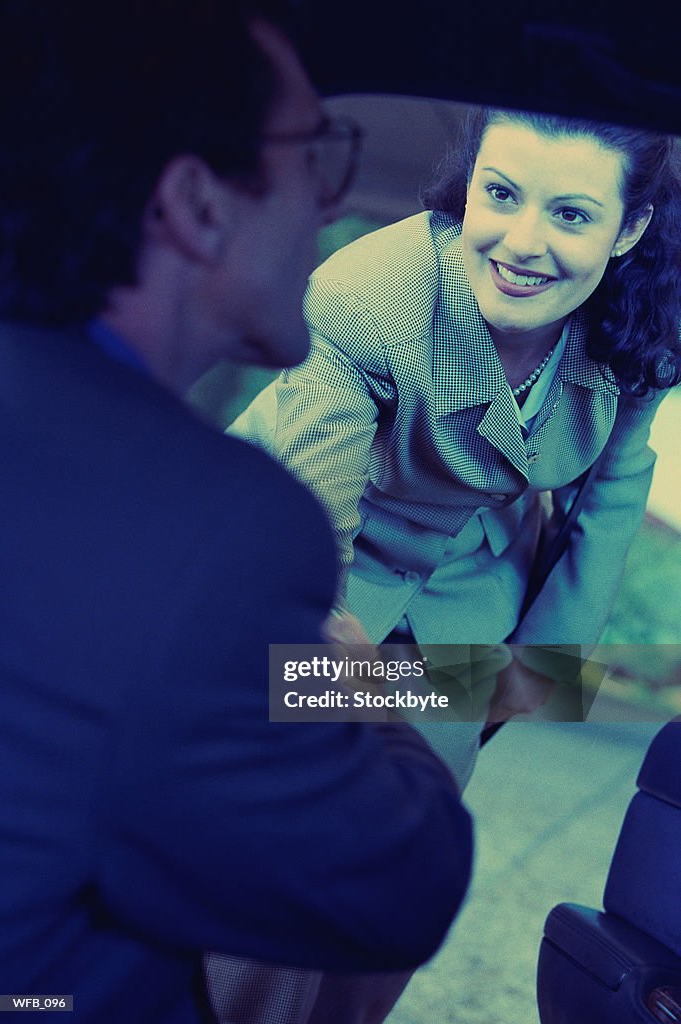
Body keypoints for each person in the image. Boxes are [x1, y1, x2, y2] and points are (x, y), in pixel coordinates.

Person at [0, 4, 475, 1022]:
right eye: (317, 160)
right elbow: (397, 889)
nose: (329, 214)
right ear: (196, 204)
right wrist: (360, 685)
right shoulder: (220, 530)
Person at [226, 106, 681, 1021]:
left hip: (468, 577)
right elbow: (315, 528)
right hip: (304, 546)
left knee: (417, 840)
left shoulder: (645, 322)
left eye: (570, 214)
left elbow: (611, 497)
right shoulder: (368, 297)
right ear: (467, 184)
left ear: (626, 229)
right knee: (290, 806)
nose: (521, 243)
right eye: (500, 194)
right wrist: (342, 676)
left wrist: (544, 667)